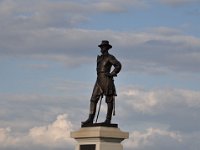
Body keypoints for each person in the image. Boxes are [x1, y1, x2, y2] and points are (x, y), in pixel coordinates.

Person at [82, 40, 122, 125]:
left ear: (106, 48)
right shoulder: (99, 58)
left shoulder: (110, 57)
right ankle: (91, 118)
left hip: (106, 79)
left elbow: (118, 65)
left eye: (103, 47)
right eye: (101, 47)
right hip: (99, 79)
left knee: (109, 100)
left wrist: (112, 73)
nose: (101, 48)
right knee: (93, 99)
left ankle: (108, 119)